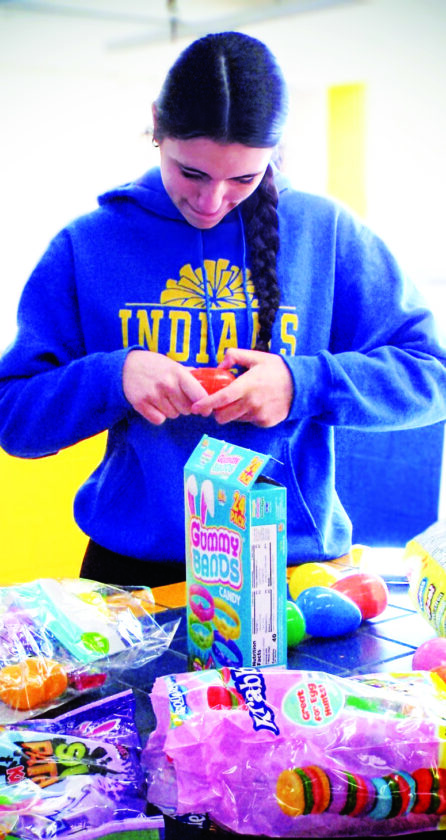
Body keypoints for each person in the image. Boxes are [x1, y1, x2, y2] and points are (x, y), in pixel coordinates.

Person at [0, 31, 446, 589]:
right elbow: (13, 417)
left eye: (243, 178)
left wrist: (301, 383)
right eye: (191, 173)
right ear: (157, 127)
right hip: (133, 577)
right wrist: (115, 377)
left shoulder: (326, 232)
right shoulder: (88, 244)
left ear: (273, 154)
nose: (211, 202)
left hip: (291, 573)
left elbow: (431, 376)